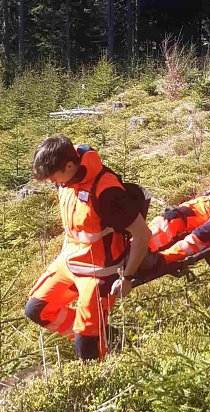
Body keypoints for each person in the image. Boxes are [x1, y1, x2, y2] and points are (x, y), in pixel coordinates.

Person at [24, 136, 151, 361]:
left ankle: (94, 345)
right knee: (36, 310)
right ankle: (105, 335)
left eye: (53, 176)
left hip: (99, 272)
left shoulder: (106, 192)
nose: (52, 182)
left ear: (70, 166)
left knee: (87, 353)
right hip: (71, 260)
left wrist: (128, 278)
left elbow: (142, 234)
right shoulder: (66, 179)